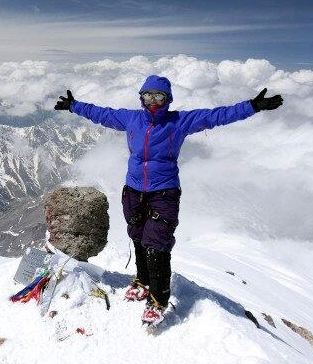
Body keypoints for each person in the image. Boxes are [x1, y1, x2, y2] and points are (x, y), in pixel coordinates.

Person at [54, 75, 283, 326]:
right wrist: (74, 105)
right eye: (147, 96)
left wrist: (252, 106)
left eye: (158, 96)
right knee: (138, 237)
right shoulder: (131, 119)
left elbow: (217, 115)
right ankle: (143, 281)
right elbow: (102, 114)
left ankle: (158, 300)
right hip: (133, 189)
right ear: (141, 97)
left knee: (157, 244)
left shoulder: (179, 122)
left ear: (167, 99)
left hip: (164, 192)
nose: (153, 102)